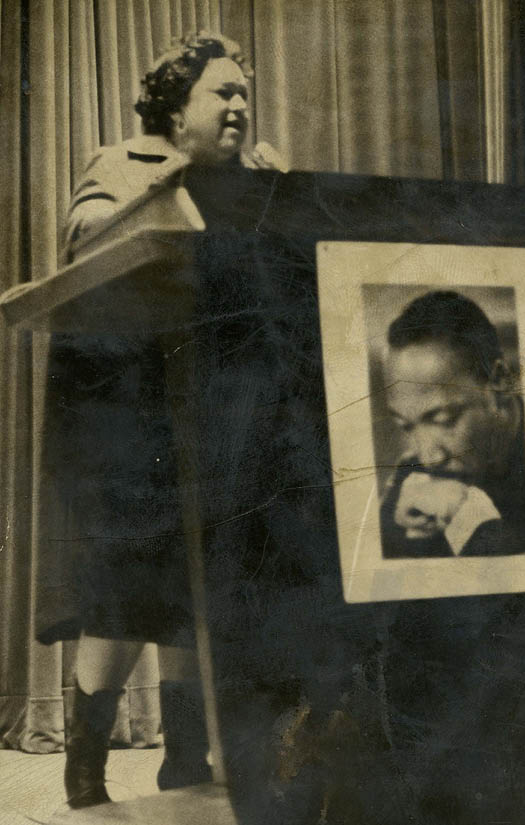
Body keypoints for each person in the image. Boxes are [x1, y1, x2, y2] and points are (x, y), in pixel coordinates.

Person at [36, 32, 285, 809]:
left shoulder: (254, 174)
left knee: (197, 575)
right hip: (129, 400)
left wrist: (284, 196)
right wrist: (167, 184)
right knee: (124, 581)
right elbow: (81, 240)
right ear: (177, 111)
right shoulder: (124, 162)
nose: (240, 106)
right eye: (223, 93)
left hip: (218, 396)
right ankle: (84, 761)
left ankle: (184, 753)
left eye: (245, 94)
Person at [378, 289, 525, 559]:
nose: (429, 458)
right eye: (407, 425)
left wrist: (468, 518)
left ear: (498, 383)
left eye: (443, 419)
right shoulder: (410, 476)